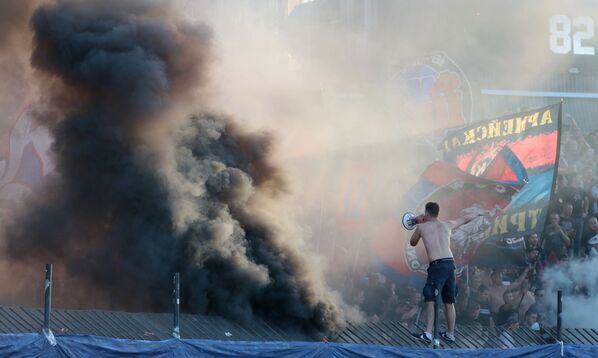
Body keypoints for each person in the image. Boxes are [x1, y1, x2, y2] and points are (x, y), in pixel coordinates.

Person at [409, 202, 483, 344]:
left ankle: (428, 333)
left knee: (430, 297)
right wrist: (478, 213)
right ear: (437, 213)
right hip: (450, 264)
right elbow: (464, 219)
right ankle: (450, 333)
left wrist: (417, 221)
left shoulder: (421, 227)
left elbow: (412, 242)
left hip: (437, 265)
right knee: (449, 301)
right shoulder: (447, 224)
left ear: (427, 213)